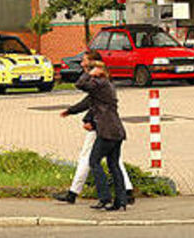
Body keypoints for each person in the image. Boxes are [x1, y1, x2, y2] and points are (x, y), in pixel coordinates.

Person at [54, 51, 134, 206]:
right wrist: (71, 111)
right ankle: (124, 195)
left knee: (92, 160)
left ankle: (98, 196)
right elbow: (92, 101)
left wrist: (87, 73)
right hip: (114, 128)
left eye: (85, 61)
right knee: (114, 162)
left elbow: (87, 95)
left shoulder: (98, 82)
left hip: (104, 128)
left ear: (94, 65)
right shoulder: (104, 83)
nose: (82, 63)